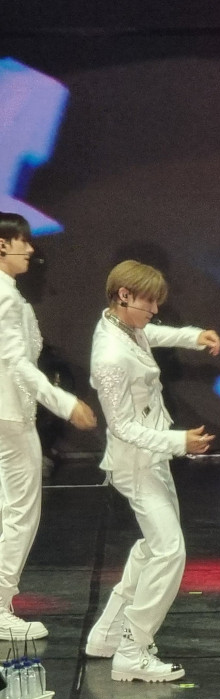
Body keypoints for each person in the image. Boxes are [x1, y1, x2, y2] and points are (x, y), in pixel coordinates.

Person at [85, 260, 220, 682]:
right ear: (124, 295)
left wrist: (193, 336)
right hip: (136, 462)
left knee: (154, 546)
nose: (155, 311)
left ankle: (108, 634)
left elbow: (152, 334)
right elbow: (122, 427)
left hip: (151, 457)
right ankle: (132, 649)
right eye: (149, 302)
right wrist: (179, 442)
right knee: (169, 551)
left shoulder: (124, 325)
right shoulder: (109, 355)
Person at [0, 212, 97, 640]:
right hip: (8, 415)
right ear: (2, 245)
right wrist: (64, 402)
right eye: (22, 241)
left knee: (11, 509)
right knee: (21, 512)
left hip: (8, 412)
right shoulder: (5, 298)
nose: (30, 249)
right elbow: (16, 363)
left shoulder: (9, 295)